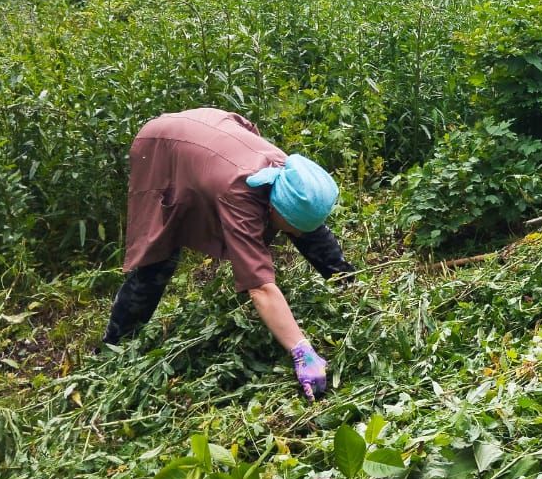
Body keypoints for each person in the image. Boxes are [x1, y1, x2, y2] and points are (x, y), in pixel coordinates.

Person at [101, 108, 354, 399]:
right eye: (291, 228)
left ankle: (347, 284)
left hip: (212, 135)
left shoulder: (291, 176)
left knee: (304, 225)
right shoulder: (240, 194)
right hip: (162, 146)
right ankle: (113, 349)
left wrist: (349, 284)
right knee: (159, 256)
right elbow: (260, 288)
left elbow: (308, 227)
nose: (295, 235)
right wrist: (301, 349)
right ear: (273, 209)